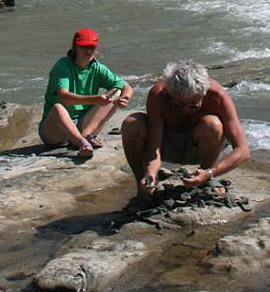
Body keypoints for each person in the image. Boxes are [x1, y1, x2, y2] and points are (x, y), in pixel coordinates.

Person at [120, 60, 250, 195]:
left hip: (201, 149)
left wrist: (210, 173)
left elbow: (243, 150)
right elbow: (154, 146)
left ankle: (205, 178)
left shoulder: (218, 96)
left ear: (204, 93)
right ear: (170, 93)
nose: (186, 110)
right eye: (178, 104)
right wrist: (150, 173)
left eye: (193, 105)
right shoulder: (159, 94)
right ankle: (144, 185)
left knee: (212, 124)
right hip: (169, 145)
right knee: (132, 124)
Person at [40, 28, 132, 159]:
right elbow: (64, 96)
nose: (88, 51)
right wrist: (95, 99)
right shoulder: (63, 66)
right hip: (54, 132)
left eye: (92, 47)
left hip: (81, 124)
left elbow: (126, 86)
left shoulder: (97, 68)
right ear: (75, 47)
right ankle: (82, 142)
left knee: (116, 92)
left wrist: (125, 98)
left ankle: (86, 136)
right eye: (84, 47)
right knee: (58, 108)